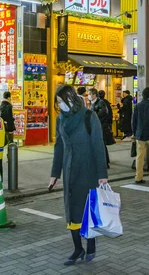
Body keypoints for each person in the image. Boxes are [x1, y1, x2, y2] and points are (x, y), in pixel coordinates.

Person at [50, 85, 108, 265]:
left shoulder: (89, 117)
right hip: (69, 172)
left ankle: (91, 244)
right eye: (58, 103)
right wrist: (55, 173)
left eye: (62, 101)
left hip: (88, 171)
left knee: (87, 211)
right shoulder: (61, 120)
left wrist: (102, 174)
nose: (60, 106)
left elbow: (98, 146)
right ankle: (77, 248)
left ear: (71, 99)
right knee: (72, 211)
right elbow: (59, 147)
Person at [133, 87, 149, 183]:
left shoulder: (137, 106)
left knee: (139, 156)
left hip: (140, 135)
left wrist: (134, 132)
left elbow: (134, 121)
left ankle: (138, 177)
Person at [88, 89, 112, 168]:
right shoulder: (92, 103)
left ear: (94, 95)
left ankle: (105, 162)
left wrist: (94, 117)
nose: (89, 95)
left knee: (102, 144)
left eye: (90, 94)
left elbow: (103, 113)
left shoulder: (100, 102)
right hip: (96, 126)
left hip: (101, 126)